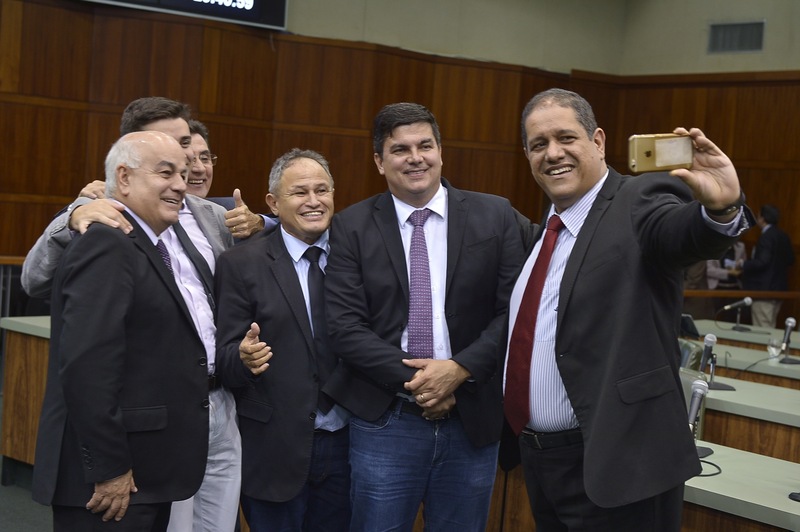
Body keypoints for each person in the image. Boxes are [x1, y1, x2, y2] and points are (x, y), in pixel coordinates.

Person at [503, 88, 751, 531]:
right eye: (539, 144)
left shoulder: (637, 200)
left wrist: (720, 209)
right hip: (542, 464)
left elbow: (679, 234)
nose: (553, 153)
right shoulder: (547, 232)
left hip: (620, 465)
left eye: (566, 138)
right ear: (527, 155)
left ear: (598, 141)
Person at [22, 98, 247, 532]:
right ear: (123, 177)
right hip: (115, 473)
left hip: (163, 450)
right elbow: (87, 366)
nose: (181, 182)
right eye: (166, 172)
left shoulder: (163, 235)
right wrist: (109, 467)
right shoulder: (105, 239)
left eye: (183, 169)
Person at [323, 102, 525, 531]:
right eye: (400, 149)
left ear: (440, 151)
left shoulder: (496, 216)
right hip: (386, 419)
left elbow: (515, 311)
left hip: (471, 417)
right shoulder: (351, 226)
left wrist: (459, 370)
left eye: (425, 146)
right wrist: (427, 381)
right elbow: (344, 327)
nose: (415, 158)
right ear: (380, 161)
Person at [215, 148, 351, 531]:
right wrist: (243, 358)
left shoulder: (355, 256)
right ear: (273, 204)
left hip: (348, 446)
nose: (314, 201)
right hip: (273, 449)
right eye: (300, 192)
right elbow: (222, 358)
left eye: (322, 190)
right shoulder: (241, 264)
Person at [739, 204, 796, 327]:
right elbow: (791, 260)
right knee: (770, 326)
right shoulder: (783, 235)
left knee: (762, 328)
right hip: (779, 289)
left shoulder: (766, 237)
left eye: (758, 215)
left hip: (764, 290)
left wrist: (743, 264)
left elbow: (762, 262)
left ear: (762, 218)